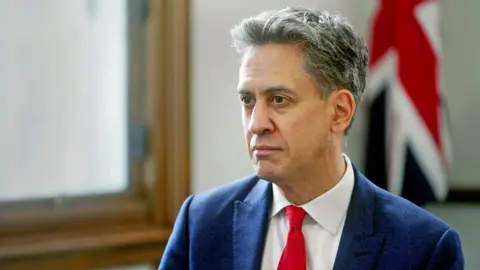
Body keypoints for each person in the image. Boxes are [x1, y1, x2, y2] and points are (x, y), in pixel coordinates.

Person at [159, 7, 464, 270]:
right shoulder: (202, 222)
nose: (256, 124)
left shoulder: (423, 246)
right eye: (247, 100)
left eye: (278, 99)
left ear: (339, 111)